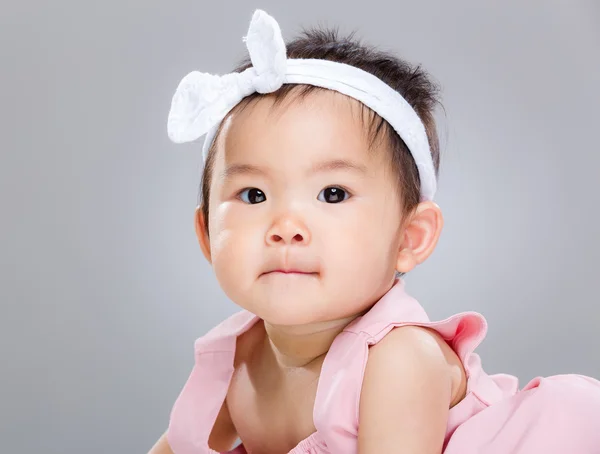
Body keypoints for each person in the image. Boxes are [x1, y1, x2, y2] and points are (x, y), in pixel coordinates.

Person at [149, 9, 600, 454]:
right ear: (207, 234)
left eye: (332, 194)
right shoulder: (238, 358)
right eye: (253, 195)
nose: (286, 228)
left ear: (409, 238)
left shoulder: (399, 360)